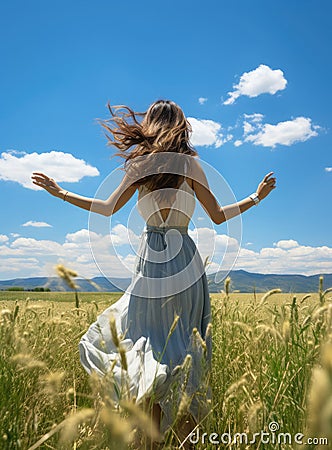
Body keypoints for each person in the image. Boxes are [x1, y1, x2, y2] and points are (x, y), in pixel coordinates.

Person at [31, 99, 276, 449]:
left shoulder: (139, 166)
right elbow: (219, 216)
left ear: (150, 125)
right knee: (184, 353)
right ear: (181, 126)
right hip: (186, 267)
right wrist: (255, 197)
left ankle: (150, 442)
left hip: (150, 263)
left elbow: (106, 208)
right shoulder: (192, 165)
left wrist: (61, 193)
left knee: (149, 349)